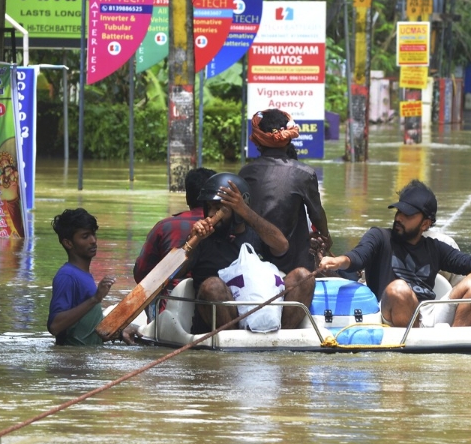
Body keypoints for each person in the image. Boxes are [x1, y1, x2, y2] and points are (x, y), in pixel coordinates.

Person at [318, 180, 471, 328]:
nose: (399, 218)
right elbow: (357, 256)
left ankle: (456, 344)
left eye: (408, 215)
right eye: (399, 211)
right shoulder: (380, 237)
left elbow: (467, 262)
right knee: (399, 289)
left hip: (428, 312)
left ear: (425, 224)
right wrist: (338, 261)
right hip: (390, 310)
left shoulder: (435, 248)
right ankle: (414, 344)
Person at [185, 172, 314, 331]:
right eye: (209, 207)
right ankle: (234, 343)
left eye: (218, 208)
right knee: (212, 286)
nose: (211, 214)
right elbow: (175, 272)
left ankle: (280, 342)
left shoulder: (257, 235)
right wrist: (194, 240)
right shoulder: (201, 239)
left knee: (304, 277)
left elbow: (282, 246)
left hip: (263, 315)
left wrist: (244, 211)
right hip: (220, 325)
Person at [238, 109, 332, 274]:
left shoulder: (245, 173)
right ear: (289, 140)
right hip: (294, 266)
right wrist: (326, 237)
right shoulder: (304, 173)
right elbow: (316, 214)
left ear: (257, 142)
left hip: (251, 261)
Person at [47, 208, 136, 346]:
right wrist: (95, 298)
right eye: (85, 236)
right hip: (72, 362)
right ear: (68, 243)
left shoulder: (83, 275)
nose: (93, 240)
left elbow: (85, 328)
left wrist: (118, 333)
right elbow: (55, 326)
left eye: (93, 234)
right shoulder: (67, 276)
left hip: (85, 360)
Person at [132, 167, 215, 283]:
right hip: (213, 296)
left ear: (187, 198)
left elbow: (141, 274)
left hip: (170, 297)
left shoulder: (164, 227)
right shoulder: (229, 227)